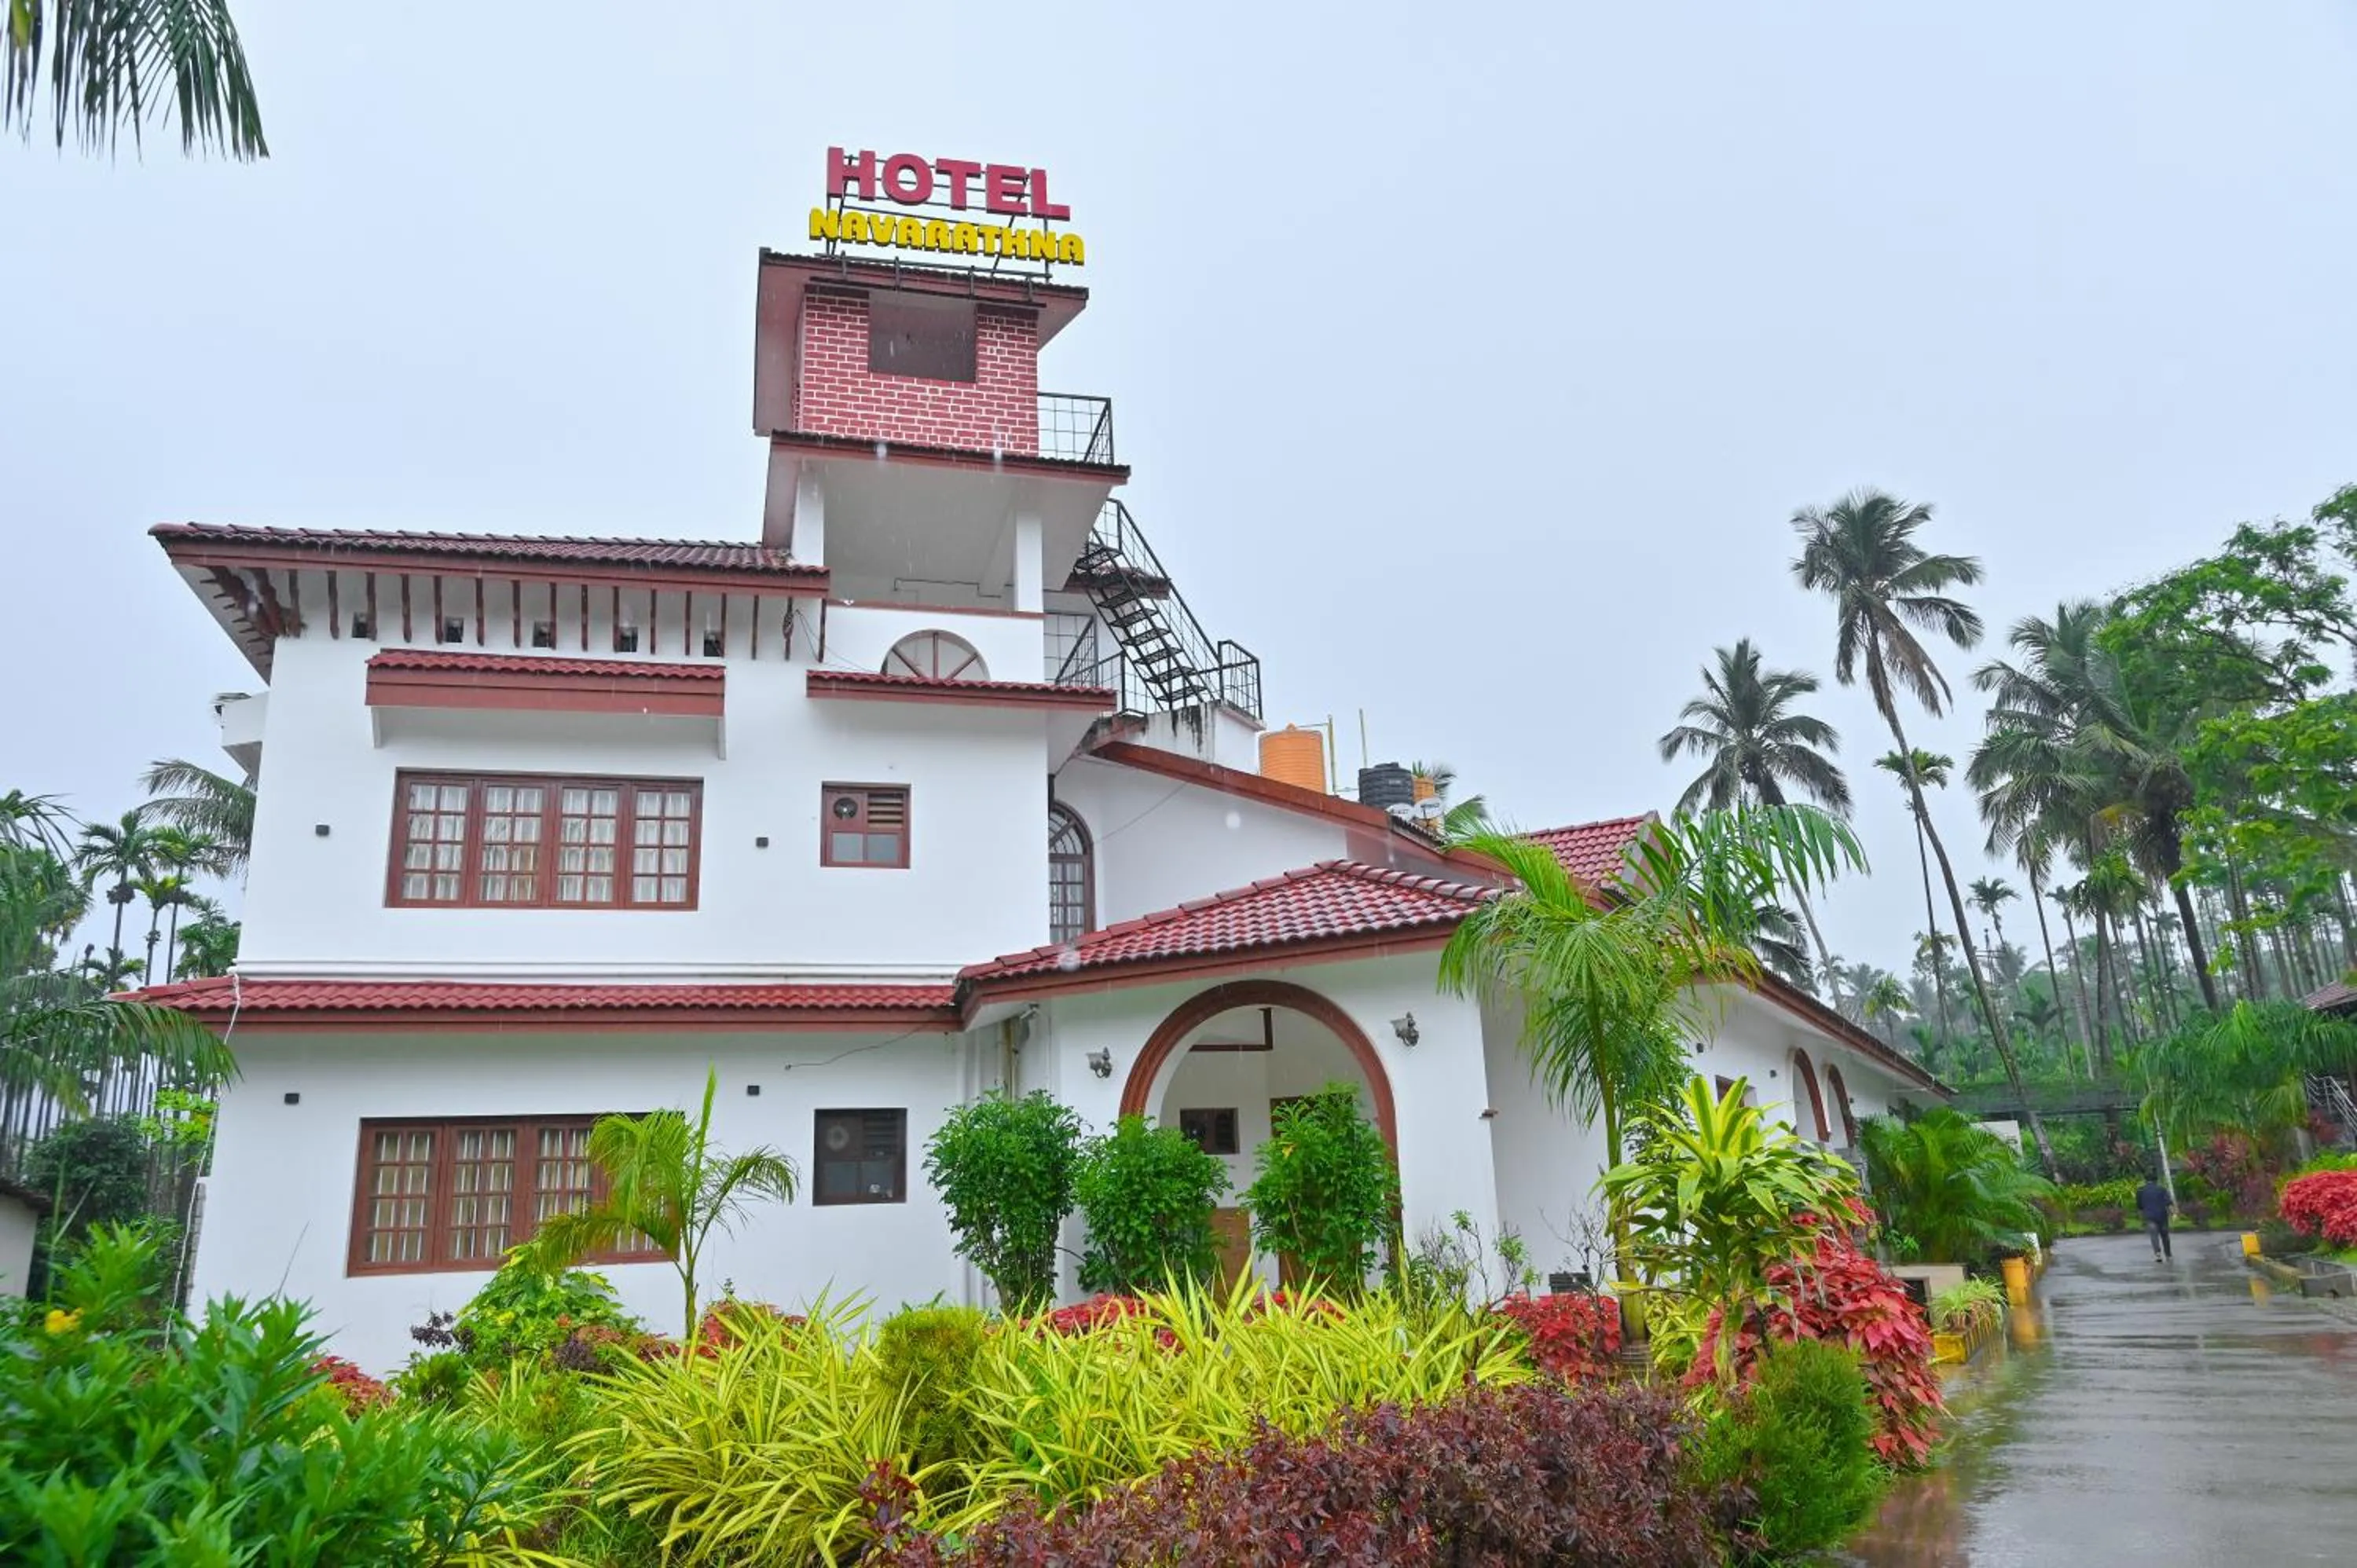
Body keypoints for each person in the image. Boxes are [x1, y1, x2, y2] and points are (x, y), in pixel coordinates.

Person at [2136, 1173, 2174, 1261]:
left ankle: (2158, 1254)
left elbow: (2140, 1207)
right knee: (2165, 1235)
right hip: (2162, 1216)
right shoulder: (2162, 1189)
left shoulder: (2140, 1191)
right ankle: (2168, 1254)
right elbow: (2169, 1203)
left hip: (2149, 1217)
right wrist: (2173, 1214)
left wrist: (2142, 1219)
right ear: (2156, 1180)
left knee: (2154, 1235)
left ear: (2145, 1180)